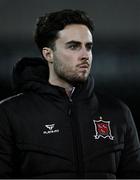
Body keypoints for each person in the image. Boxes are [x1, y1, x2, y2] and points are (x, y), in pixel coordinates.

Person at [0, 9, 140, 179]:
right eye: (73, 46)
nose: (84, 55)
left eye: (88, 47)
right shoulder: (10, 114)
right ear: (48, 54)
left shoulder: (118, 113)